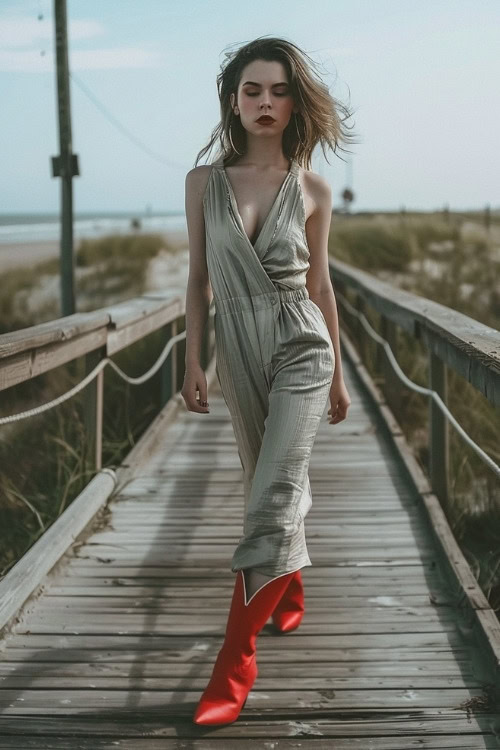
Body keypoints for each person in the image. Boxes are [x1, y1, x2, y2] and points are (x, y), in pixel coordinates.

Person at [182, 36, 357, 725]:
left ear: (294, 102)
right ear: (233, 100)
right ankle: (287, 579)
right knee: (267, 485)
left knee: (274, 492)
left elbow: (321, 284)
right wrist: (193, 360)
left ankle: (234, 664)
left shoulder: (312, 187)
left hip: (300, 346)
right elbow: (196, 280)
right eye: (252, 90)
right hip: (237, 349)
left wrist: (339, 374)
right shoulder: (203, 183)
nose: (265, 102)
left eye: (278, 91)